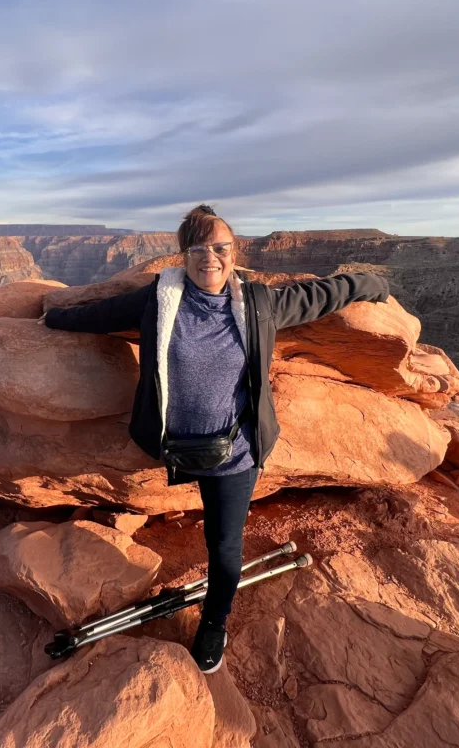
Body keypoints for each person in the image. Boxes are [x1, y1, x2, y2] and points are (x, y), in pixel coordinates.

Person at [44, 204, 390, 674]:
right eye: (200, 248)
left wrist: (370, 283)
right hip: (174, 446)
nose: (211, 257)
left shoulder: (260, 304)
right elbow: (102, 314)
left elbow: (320, 295)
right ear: (185, 255)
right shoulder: (160, 300)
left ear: (235, 252)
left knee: (223, 544)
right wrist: (54, 318)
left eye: (221, 247)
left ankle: (215, 621)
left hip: (236, 454)